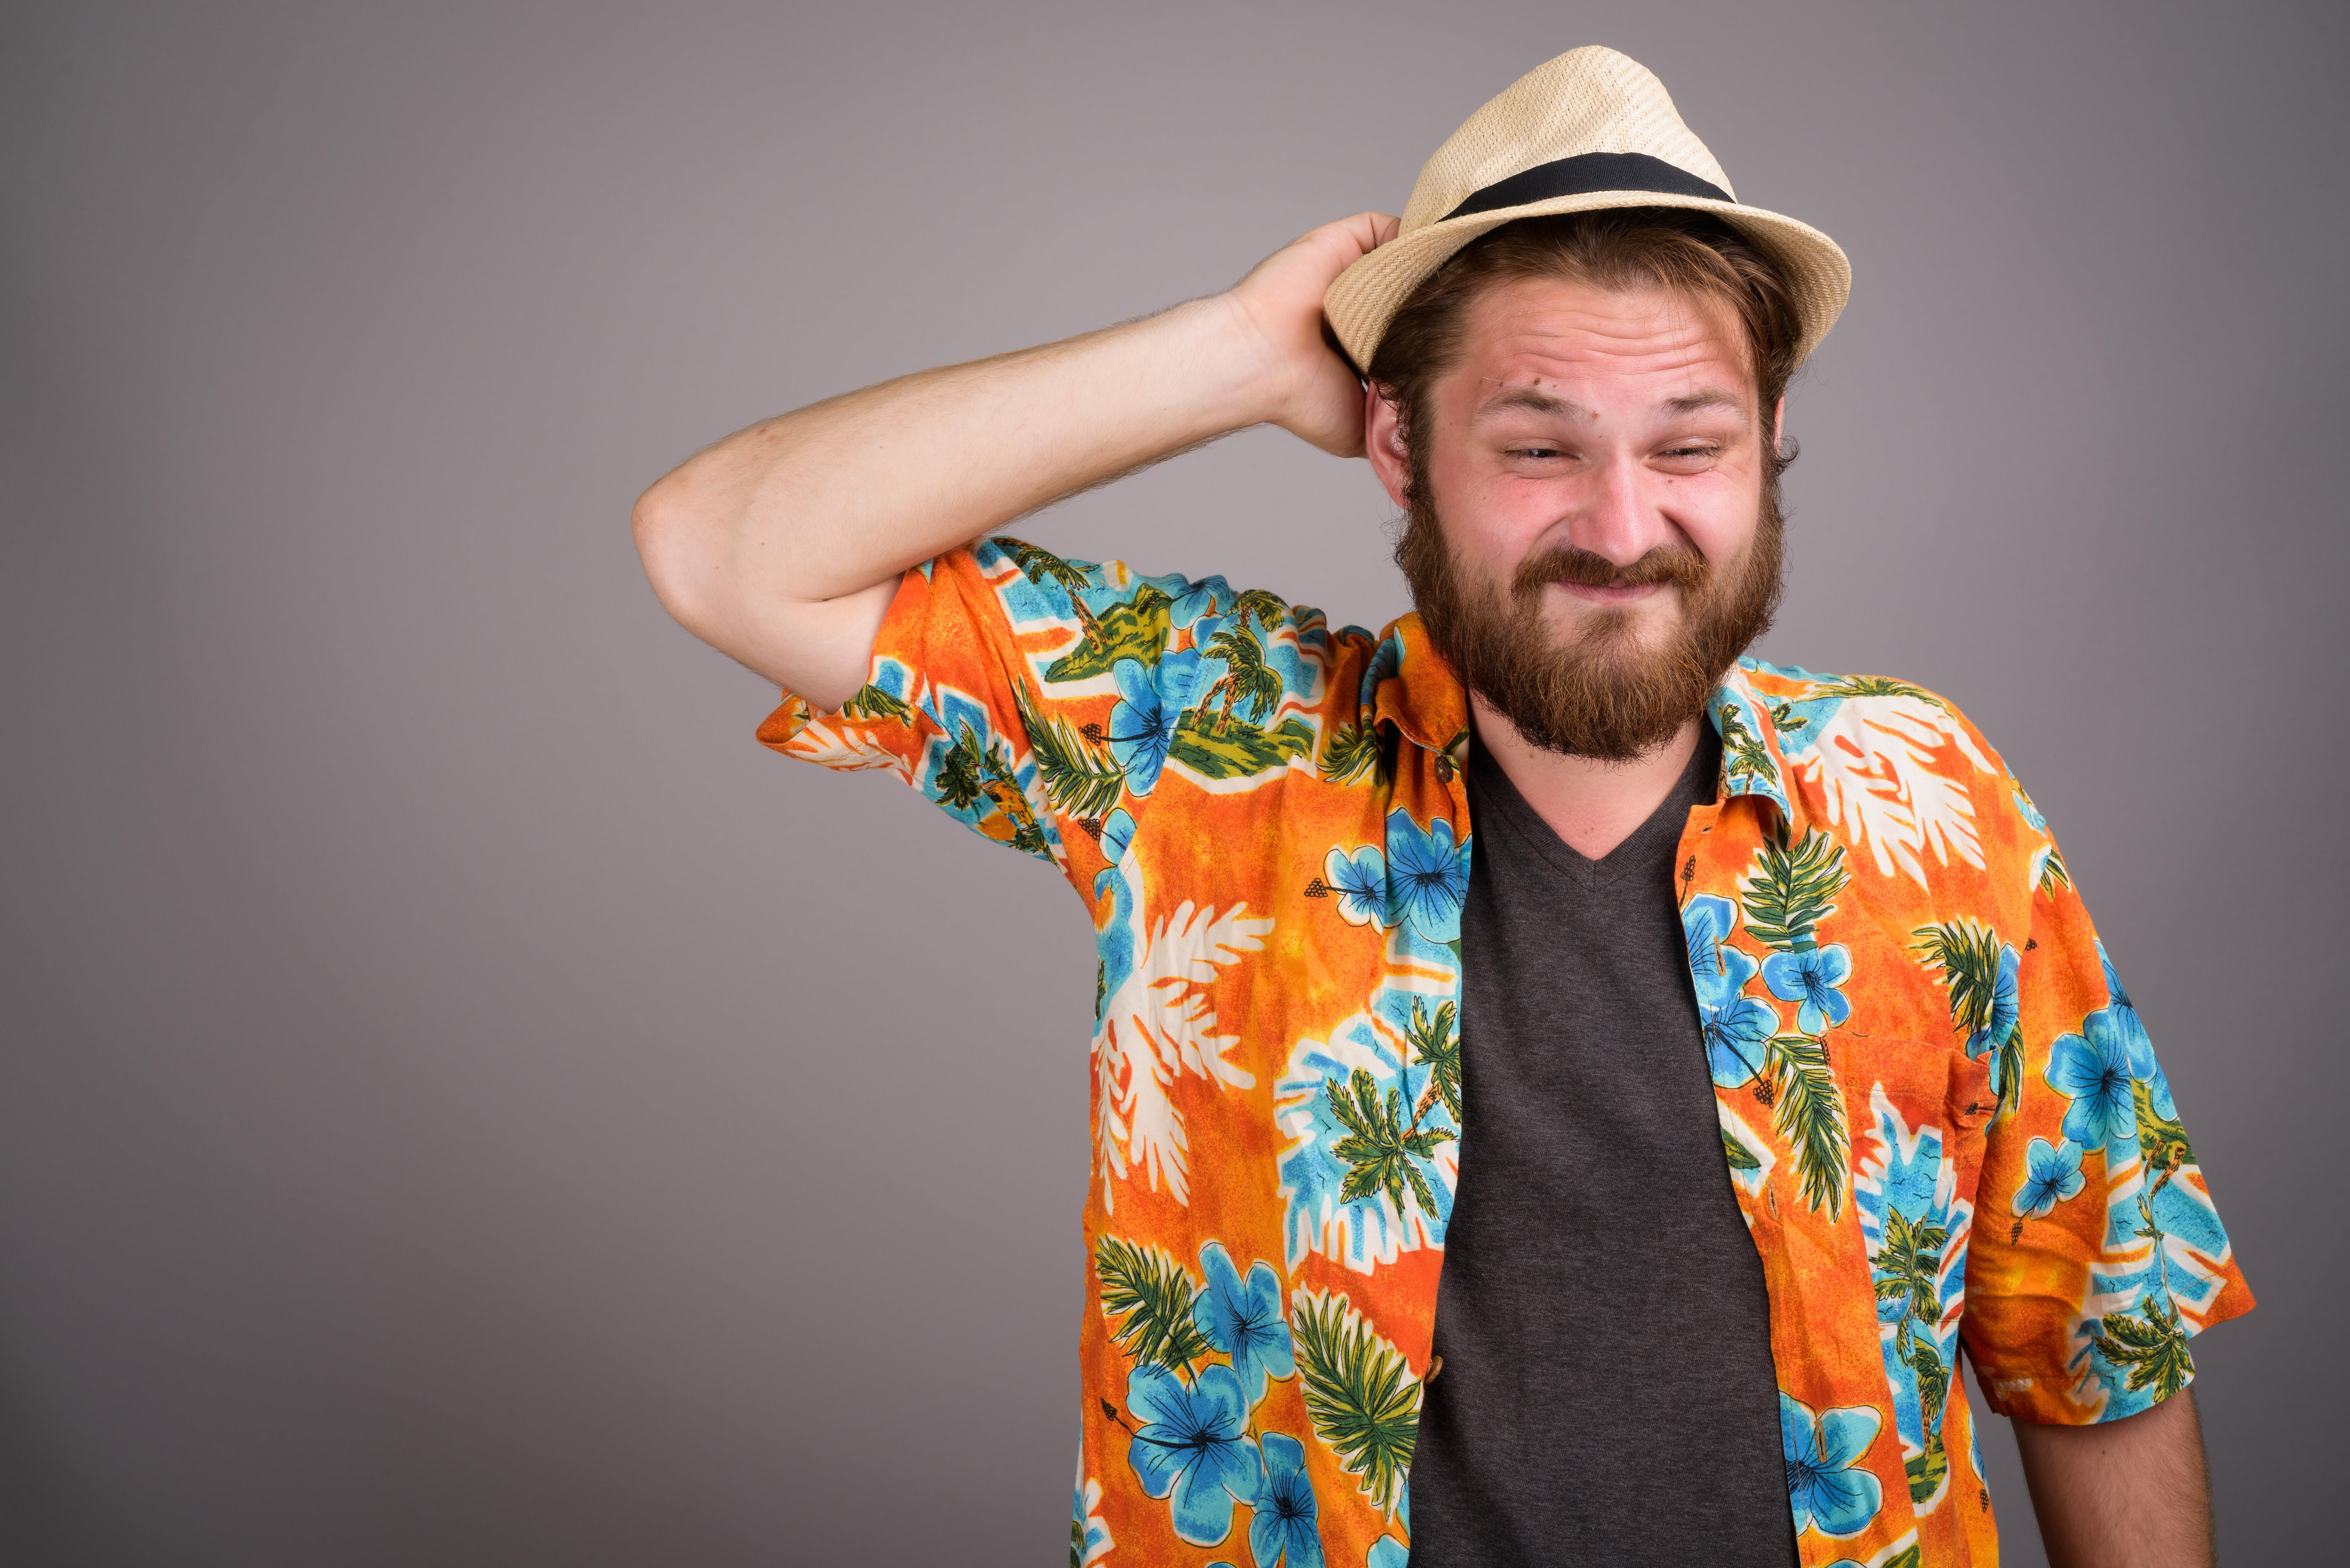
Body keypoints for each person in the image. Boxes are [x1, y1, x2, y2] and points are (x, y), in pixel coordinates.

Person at [632, 45, 2249, 1568]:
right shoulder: (1205, 745)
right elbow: (721, 548)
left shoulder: (1934, 796)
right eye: (1539, 445)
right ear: (1399, 447)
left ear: (1768, 449)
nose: (1624, 526)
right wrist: (1235, 356)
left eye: (1690, 444)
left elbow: (2099, 1342)